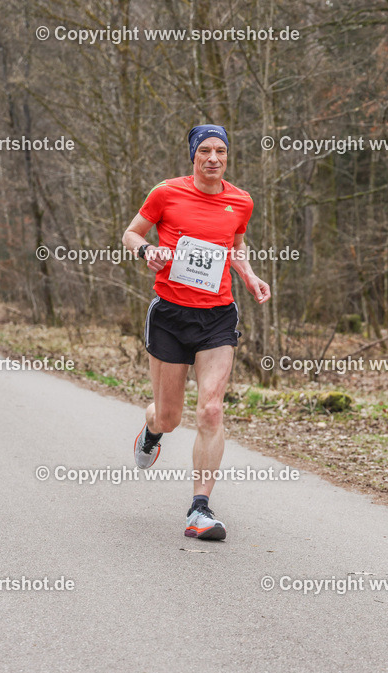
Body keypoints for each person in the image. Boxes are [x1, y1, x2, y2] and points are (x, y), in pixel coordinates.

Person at [122, 124, 271, 541]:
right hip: (170, 314)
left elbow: (236, 247)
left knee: (211, 409)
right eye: (204, 150)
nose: (212, 158)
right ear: (193, 156)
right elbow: (130, 232)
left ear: (227, 156)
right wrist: (145, 250)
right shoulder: (166, 192)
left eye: (220, 151)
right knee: (169, 416)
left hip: (218, 316)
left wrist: (250, 275)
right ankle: (152, 429)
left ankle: (199, 509)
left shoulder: (241, 201)